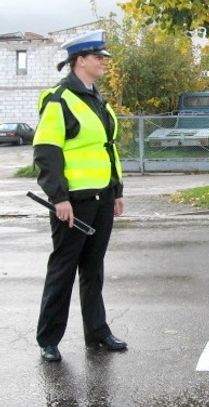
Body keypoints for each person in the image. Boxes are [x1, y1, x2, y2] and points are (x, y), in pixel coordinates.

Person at [33, 29, 127, 362]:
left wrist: (116, 190)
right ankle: (48, 339)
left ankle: (97, 333)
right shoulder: (59, 100)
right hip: (73, 202)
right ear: (80, 60)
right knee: (63, 268)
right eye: (98, 57)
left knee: (93, 268)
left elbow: (107, 149)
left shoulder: (97, 99)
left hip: (101, 198)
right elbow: (46, 152)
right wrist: (59, 198)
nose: (103, 62)